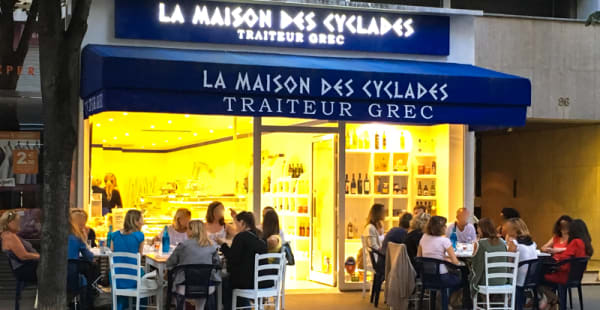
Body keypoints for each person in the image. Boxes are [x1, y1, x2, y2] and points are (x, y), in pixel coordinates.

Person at [216, 211, 267, 310]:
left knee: (224, 281)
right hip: (263, 280)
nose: (235, 227)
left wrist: (223, 245)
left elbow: (232, 257)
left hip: (248, 281)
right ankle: (244, 307)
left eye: (236, 223)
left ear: (242, 223)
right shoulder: (259, 236)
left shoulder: (241, 237)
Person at [167, 220, 221, 310]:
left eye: (188, 229)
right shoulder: (212, 246)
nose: (186, 231)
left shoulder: (183, 245)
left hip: (184, 285)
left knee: (174, 282)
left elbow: (170, 263)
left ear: (192, 230)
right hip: (207, 285)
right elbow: (217, 264)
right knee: (202, 296)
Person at [540, 219, 593, 309]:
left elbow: (564, 257)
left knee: (538, 277)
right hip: (574, 276)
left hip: (565, 276)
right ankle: (552, 301)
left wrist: (555, 258)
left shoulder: (575, 242)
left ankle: (553, 298)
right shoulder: (584, 243)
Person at [110, 209, 145, 310]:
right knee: (144, 277)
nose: (143, 221)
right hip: (133, 277)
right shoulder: (140, 236)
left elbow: (112, 251)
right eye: (142, 219)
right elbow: (140, 256)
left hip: (116, 277)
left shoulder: (114, 235)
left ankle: (120, 307)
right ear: (136, 221)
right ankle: (139, 307)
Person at [418, 216, 462, 286]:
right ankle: (448, 297)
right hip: (442, 277)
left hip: (426, 276)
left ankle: (439, 296)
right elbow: (455, 262)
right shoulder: (445, 241)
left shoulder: (424, 237)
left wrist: (442, 258)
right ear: (442, 228)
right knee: (462, 280)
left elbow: (419, 257)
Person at [469, 218, 507, 300]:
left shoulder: (480, 244)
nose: (477, 230)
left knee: (471, 276)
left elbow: (476, 264)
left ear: (482, 229)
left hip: (487, 281)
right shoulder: (502, 242)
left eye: (478, 228)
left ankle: (482, 304)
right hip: (502, 280)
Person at [0, 210, 39, 284]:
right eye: (16, 221)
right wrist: (39, 256)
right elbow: (23, 256)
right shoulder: (10, 237)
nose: (19, 223)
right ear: (8, 223)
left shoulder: (6, 235)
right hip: (25, 269)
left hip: (24, 267)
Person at [68, 209, 95, 309]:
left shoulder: (62, 234)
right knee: (91, 268)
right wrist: (84, 237)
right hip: (72, 268)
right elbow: (89, 256)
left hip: (60, 269)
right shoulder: (77, 237)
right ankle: (88, 301)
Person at [505, 218, 537, 288]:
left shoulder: (514, 243)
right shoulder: (533, 243)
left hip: (518, 277)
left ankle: (502, 297)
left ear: (514, 230)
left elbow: (508, 263)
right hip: (531, 276)